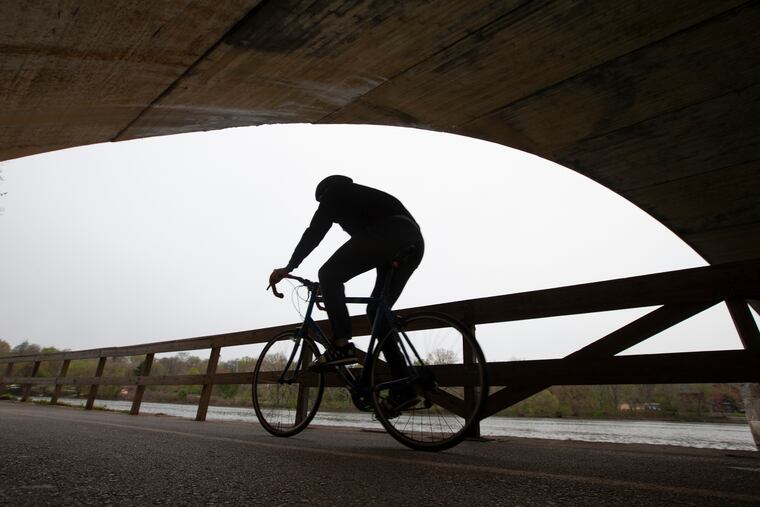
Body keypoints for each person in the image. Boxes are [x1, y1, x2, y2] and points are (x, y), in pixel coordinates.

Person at [269, 175, 424, 370]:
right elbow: (363, 251)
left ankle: (341, 346)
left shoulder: (335, 193)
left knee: (328, 274)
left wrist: (289, 267)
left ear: (324, 194)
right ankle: (404, 384)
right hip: (414, 243)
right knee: (377, 312)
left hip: (391, 232)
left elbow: (315, 232)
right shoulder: (361, 201)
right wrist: (330, 294)